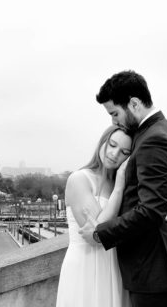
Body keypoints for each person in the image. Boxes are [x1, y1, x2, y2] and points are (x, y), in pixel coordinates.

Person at [79, 70, 167, 307]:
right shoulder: (153, 132)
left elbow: (151, 211)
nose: (113, 122)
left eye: (115, 113)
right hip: (149, 265)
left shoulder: (153, 139)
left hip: (149, 266)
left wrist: (100, 233)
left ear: (134, 103)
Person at [56, 125, 133, 307]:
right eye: (112, 144)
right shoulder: (79, 179)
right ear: (103, 141)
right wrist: (119, 187)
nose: (114, 154)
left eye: (124, 152)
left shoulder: (123, 184)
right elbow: (98, 234)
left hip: (114, 266)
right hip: (84, 266)